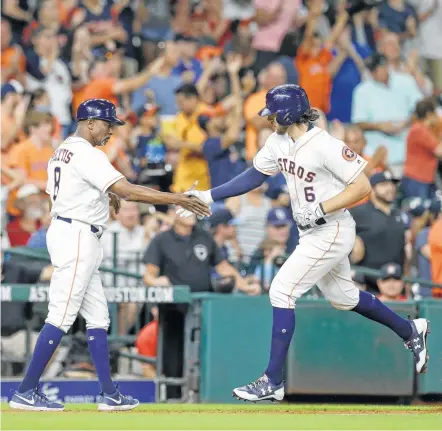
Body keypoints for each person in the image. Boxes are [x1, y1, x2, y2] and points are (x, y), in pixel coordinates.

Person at [178, 84, 430, 402]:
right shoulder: (277, 142)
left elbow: (363, 186)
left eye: (272, 114)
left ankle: (272, 379)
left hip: (332, 228)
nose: (268, 120)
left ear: (287, 113)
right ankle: (410, 331)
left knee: (282, 290)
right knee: (344, 297)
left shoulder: (324, 145)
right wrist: (208, 195)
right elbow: (254, 176)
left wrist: (323, 208)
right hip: (312, 231)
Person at [8, 98, 210, 412]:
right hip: (77, 235)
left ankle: (109, 393)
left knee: (99, 317)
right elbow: (128, 190)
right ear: (89, 122)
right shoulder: (88, 154)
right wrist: (177, 197)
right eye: (107, 123)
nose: (111, 131)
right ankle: (25, 390)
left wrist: (106, 196)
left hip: (71, 230)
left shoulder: (63, 149)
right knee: (61, 315)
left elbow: (65, 194)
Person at [352, 52, 423, 176]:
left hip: (410, 148)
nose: (374, 73)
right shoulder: (362, 90)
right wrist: (382, 126)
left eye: (377, 69)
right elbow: (358, 121)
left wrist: (406, 123)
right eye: (372, 70)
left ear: (386, 66)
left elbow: (421, 107)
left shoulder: (405, 81)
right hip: (379, 153)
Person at [350, 172, 407, 291]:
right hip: (365, 284)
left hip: (395, 285)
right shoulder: (357, 212)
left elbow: (404, 251)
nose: (390, 188)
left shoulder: (399, 214)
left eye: (392, 184)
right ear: (372, 188)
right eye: (384, 184)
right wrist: (352, 242)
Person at [403, 98, 442, 200]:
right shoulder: (419, 130)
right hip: (417, 179)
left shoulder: (424, 129)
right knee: (420, 213)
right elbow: (439, 151)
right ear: (429, 114)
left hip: (424, 178)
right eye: (435, 113)